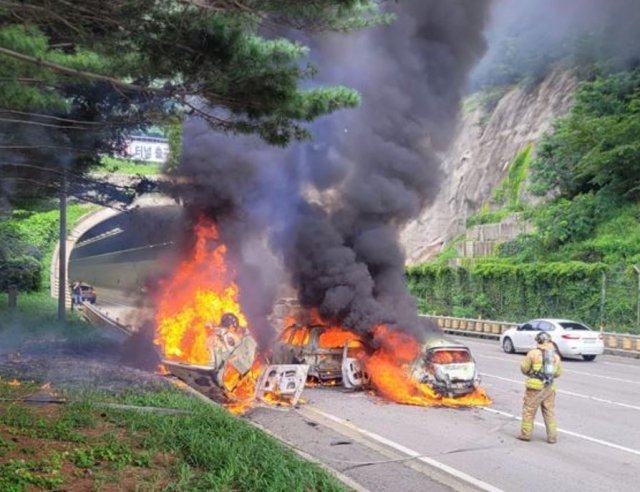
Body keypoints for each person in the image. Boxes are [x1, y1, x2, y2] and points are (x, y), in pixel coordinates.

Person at [517, 331, 562, 443]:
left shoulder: (532, 353)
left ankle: (525, 435)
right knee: (549, 411)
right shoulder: (555, 356)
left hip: (534, 388)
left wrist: (531, 373)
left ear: (538, 341)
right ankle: (552, 437)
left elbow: (524, 368)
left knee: (529, 410)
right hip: (549, 388)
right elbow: (558, 373)